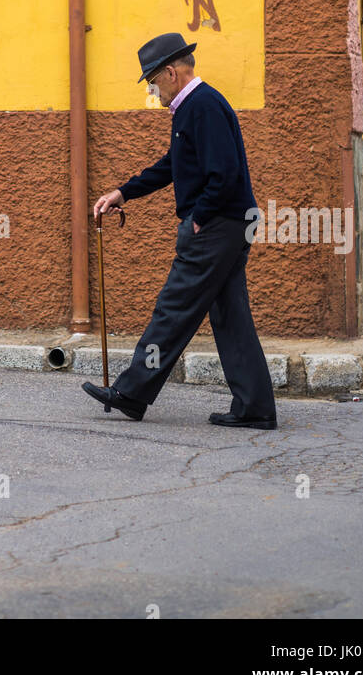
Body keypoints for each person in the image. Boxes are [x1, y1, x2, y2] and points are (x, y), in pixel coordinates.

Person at [82, 31, 277, 430]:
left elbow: (223, 173)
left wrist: (199, 219)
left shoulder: (201, 106)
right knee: (231, 317)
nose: (153, 93)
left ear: (171, 72)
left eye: (153, 83)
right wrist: (124, 192)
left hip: (216, 227)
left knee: (173, 310)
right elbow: (174, 165)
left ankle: (132, 392)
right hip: (229, 224)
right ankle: (255, 408)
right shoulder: (196, 108)